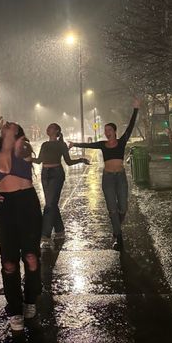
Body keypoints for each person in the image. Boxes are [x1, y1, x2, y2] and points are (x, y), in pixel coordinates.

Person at [69, 99, 139, 251]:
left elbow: (131, 126)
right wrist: (74, 144)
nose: (107, 133)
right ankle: (118, 238)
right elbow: (88, 145)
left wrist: (135, 109)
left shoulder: (122, 142)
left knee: (123, 207)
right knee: (112, 209)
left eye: (109, 130)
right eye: (105, 131)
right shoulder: (102, 144)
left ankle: (116, 227)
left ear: (115, 132)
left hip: (120, 177)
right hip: (107, 178)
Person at [0, 121, 42, 332]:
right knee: (9, 263)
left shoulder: (23, 146)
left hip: (27, 203)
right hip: (5, 206)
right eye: (6, 124)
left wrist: (12, 137)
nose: (8, 123)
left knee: (31, 257)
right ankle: (15, 308)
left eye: (12, 125)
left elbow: (16, 156)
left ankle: (30, 299)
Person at [33, 123, 90, 247]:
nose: (48, 128)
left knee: (49, 205)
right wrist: (26, 158)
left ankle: (45, 234)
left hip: (56, 174)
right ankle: (59, 230)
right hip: (45, 175)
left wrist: (81, 159)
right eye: (48, 127)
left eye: (51, 127)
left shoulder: (61, 145)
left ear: (57, 131)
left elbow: (68, 162)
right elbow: (38, 161)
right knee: (51, 204)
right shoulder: (45, 144)